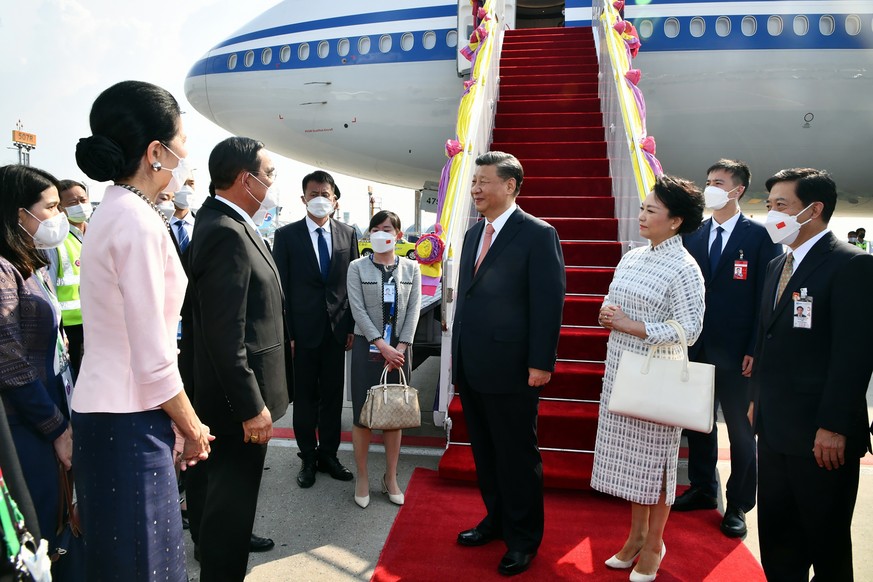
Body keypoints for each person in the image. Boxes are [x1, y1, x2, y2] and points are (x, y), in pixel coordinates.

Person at [71, 80, 212, 581]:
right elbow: (153, 354)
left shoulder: (114, 210)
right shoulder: (137, 222)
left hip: (109, 413)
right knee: (146, 565)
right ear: (156, 152)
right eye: (181, 144)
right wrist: (192, 427)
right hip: (128, 419)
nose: (186, 158)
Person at [753, 168, 873, 581]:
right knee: (779, 539)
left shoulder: (851, 265)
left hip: (822, 440)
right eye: (769, 207)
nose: (771, 215)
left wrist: (834, 426)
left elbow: (854, 355)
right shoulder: (776, 265)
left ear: (814, 210)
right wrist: (757, 401)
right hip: (774, 432)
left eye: (780, 206)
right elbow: (768, 337)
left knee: (826, 544)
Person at [451, 151, 565, 576]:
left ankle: (523, 539)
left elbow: (548, 303)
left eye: (484, 182)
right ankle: (495, 520)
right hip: (472, 364)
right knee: (485, 453)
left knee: (517, 457)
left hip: (514, 368)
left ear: (511, 186)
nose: (476, 189)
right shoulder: (470, 234)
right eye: (474, 182)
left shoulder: (537, 234)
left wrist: (541, 362)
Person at [185, 136, 290, 582]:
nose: (271, 183)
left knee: (224, 510)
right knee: (227, 513)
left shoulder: (231, 223)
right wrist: (251, 407)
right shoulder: (225, 233)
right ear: (245, 179)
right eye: (268, 174)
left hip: (233, 402)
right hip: (234, 409)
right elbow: (225, 335)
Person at [592, 175, 705, 582]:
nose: (640, 216)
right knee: (633, 464)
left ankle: (654, 543)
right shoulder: (632, 256)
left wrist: (633, 325)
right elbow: (615, 302)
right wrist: (608, 313)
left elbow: (690, 329)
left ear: (675, 221)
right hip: (622, 369)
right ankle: (635, 537)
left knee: (657, 466)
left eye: (650, 211)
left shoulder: (685, 267)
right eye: (641, 208)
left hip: (657, 376)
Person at [676, 160, 781, 538]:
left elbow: (766, 298)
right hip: (698, 347)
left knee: (740, 431)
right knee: (700, 426)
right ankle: (704, 489)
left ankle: (738, 504)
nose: (710, 189)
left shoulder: (759, 236)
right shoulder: (694, 234)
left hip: (740, 353)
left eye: (718, 183)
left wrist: (756, 346)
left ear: (737, 190)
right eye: (708, 182)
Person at [0, 165, 74, 578]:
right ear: (18, 214)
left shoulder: (31, 262)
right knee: (37, 536)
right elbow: (9, 361)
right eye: (49, 207)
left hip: (45, 414)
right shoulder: (2, 271)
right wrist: (56, 428)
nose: (58, 216)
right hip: (25, 427)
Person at [272, 170, 359, 488]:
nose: (320, 199)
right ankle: (307, 456)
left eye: (326, 194)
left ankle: (329, 455)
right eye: (314, 194)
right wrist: (288, 334)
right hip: (302, 333)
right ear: (303, 199)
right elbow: (280, 291)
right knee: (306, 397)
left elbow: (351, 284)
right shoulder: (287, 236)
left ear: (335, 199)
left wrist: (349, 324)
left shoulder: (347, 233)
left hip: (336, 330)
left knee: (334, 397)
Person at [346, 210, 421, 508]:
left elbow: (414, 309)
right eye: (375, 228)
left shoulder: (412, 269)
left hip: (401, 352)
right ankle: (362, 476)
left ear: (398, 235)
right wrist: (381, 343)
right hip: (369, 347)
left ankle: (390, 477)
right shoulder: (356, 267)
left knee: (394, 414)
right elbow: (357, 309)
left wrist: (400, 347)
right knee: (363, 416)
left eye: (387, 228)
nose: (380, 233)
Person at [46, 179, 91, 380]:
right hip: (69, 328)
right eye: (72, 203)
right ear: (61, 208)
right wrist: (58, 332)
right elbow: (49, 289)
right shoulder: (56, 241)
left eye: (82, 199)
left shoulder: (94, 233)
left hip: (94, 325)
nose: (80, 205)